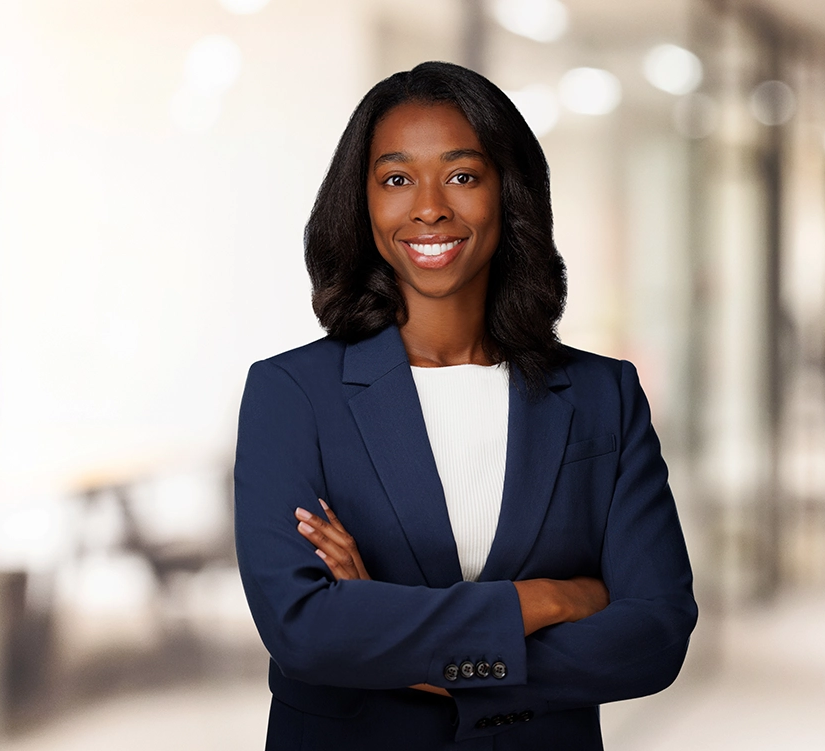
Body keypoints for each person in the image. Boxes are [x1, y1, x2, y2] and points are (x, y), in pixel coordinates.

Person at [233, 61, 697, 750]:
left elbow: (654, 631)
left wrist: (396, 638)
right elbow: (305, 628)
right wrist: (549, 600)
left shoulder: (603, 395)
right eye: (396, 178)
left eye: (461, 175)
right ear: (359, 202)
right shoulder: (293, 394)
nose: (429, 207)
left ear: (508, 194)